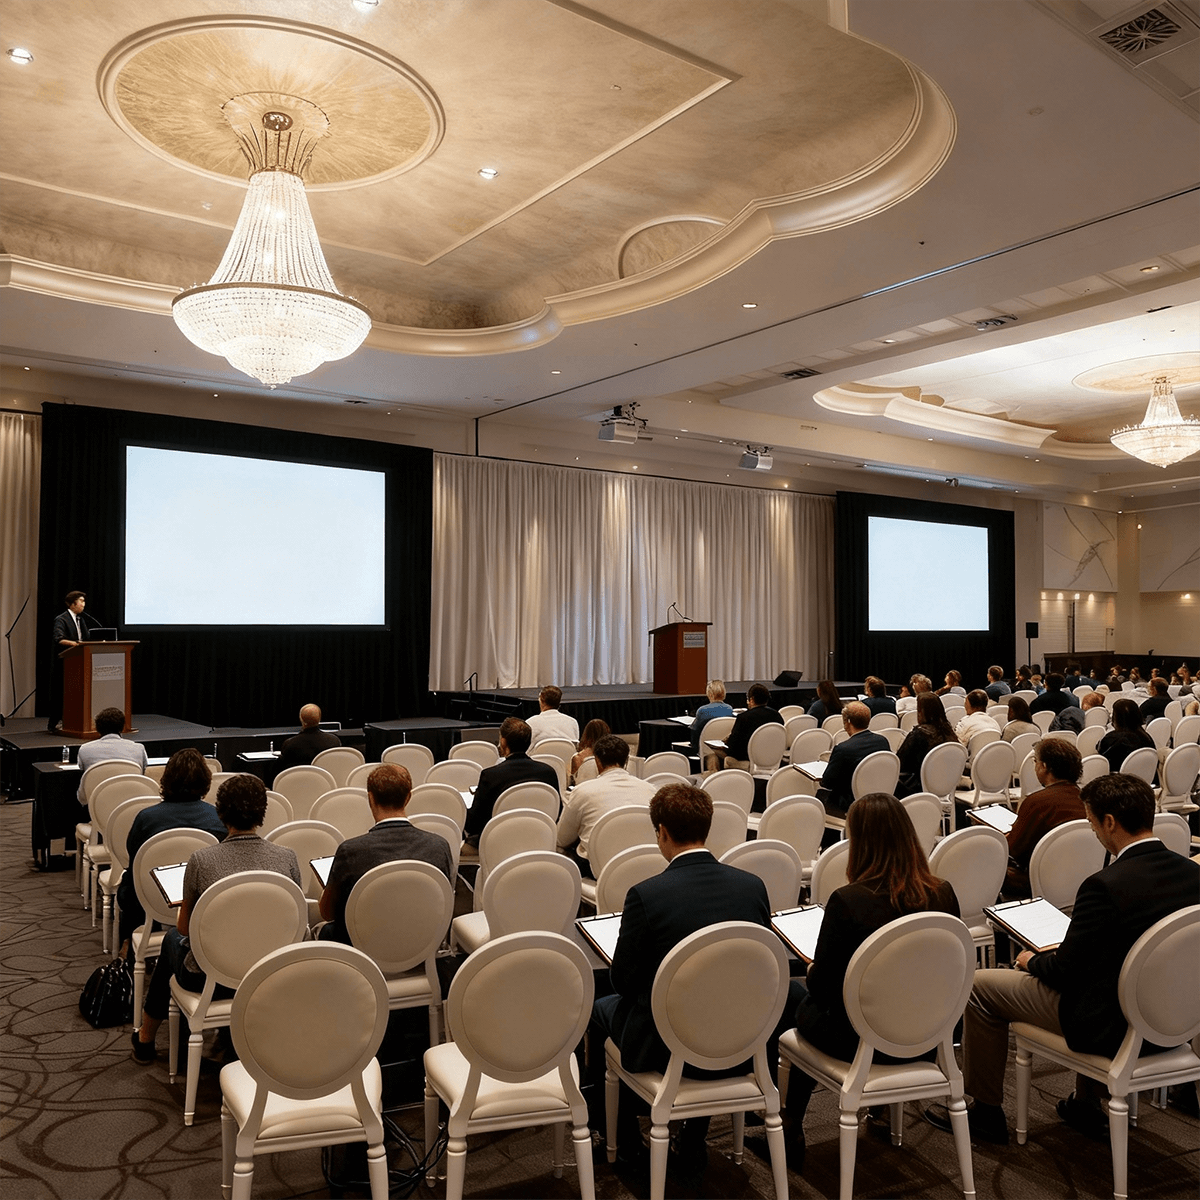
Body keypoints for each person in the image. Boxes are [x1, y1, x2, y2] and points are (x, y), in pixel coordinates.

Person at [926, 773, 1200, 1145]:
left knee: (979, 986)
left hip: (1109, 1025)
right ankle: (1085, 1102)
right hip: (1177, 1020)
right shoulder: (1192, 875)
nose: (1093, 831)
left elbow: (1065, 972)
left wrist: (1030, 961)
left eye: (1091, 822)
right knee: (1103, 974)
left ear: (1109, 822)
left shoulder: (1104, 885)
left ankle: (986, 1112)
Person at [590, 783, 773, 1178]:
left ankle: (620, 1141)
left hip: (669, 1047)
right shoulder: (752, 886)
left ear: (661, 832)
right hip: (741, 1039)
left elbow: (623, 981)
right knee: (711, 1000)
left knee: (598, 1010)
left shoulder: (646, 895)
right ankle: (692, 1139)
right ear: (706, 829)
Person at [778, 793, 960, 1166]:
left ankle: (790, 1122)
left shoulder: (848, 901)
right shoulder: (942, 892)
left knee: (794, 999)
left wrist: (813, 967)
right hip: (925, 1038)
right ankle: (875, 1111)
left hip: (861, 1043)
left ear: (858, 842)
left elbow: (824, 989)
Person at [130, 773, 302, 1064]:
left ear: (220, 812)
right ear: (262, 812)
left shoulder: (202, 860)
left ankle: (146, 1037)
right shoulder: (286, 857)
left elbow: (185, 927)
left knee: (173, 938)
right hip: (270, 973)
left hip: (213, 979)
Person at [318, 764, 453, 943]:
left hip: (364, 946)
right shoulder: (439, 845)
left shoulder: (350, 851)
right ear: (408, 798)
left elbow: (327, 913)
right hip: (420, 942)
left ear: (370, 798)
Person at [116, 749, 227, 958]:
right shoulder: (219, 818)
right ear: (206, 781)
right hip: (200, 904)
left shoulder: (146, 818)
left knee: (129, 882)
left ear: (166, 780)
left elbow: (134, 863)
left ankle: (128, 943)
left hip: (148, 900)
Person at [556, 734, 655, 877]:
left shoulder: (583, 791)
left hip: (599, 868)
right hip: (644, 864)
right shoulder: (651, 789)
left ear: (597, 761)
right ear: (626, 761)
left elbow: (562, 838)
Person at [1003, 738, 1085, 897]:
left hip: (1039, 882)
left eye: (1035, 762)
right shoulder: (1087, 799)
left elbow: (1014, 851)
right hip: (1081, 877)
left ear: (1044, 766)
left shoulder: (1037, 802)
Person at [462, 716, 559, 845]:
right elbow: (557, 814)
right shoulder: (548, 772)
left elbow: (474, 825)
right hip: (540, 840)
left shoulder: (490, 775)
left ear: (503, 742)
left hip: (499, 843)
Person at [817, 701, 888, 818]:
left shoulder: (843, 749)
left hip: (850, 804)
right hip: (878, 800)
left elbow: (827, 783)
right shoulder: (882, 741)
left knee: (820, 796)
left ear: (848, 722)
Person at [76, 706, 147, 800]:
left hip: (95, 802)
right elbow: (142, 773)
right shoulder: (139, 748)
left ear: (97, 728)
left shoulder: (84, 749)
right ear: (122, 727)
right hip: (130, 799)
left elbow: (83, 772)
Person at [896, 693, 957, 797]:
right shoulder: (949, 732)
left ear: (921, 712)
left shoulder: (919, 734)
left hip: (918, 786)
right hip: (946, 784)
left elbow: (900, 762)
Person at [711, 682, 782, 771]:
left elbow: (733, 748)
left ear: (751, 700)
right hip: (772, 758)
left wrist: (726, 742)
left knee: (715, 753)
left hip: (747, 759)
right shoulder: (777, 716)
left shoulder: (744, 718)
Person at [47, 589, 88, 732]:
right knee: (61, 693)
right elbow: (59, 638)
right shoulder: (61, 619)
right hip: (65, 663)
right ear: (72, 604)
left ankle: (72, 722)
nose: (84, 604)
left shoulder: (81, 619)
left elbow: (86, 639)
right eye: (81, 601)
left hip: (80, 662)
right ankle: (53, 724)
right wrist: (76, 644)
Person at [275, 703, 340, 773]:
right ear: (319, 719)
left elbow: (282, 770)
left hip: (298, 781)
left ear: (301, 719)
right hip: (326, 782)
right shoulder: (334, 741)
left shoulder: (290, 744)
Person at [1097, 698, 1155, 773]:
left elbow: (1102, 760)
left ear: (1116, 718)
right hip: (1146, 780)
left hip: (1118, 781)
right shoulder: (1147, 737)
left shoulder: (1112, 738)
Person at [687, 680, 734, 756]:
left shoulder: (702, 711)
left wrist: (695, 749)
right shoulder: (729, 709)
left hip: (706, 749)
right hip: (724, 749)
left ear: (710, 694)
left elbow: (695, 734)